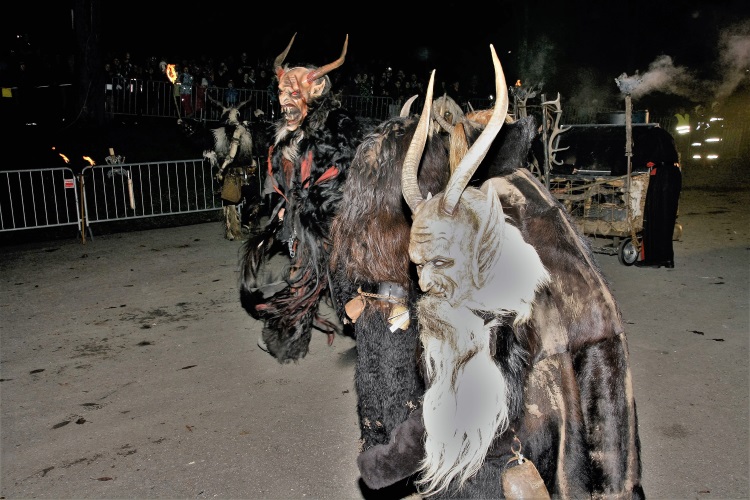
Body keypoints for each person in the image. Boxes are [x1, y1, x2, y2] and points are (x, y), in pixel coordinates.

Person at [239, 33, 366, 362]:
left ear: (317, 90)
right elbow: (284, 180)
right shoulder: (286, 135)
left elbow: (344, 176)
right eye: (282, 92)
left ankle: (377, 336)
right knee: (304, 277)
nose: (285, 100)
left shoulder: (338, 130)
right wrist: (283, 208)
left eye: (293, 93)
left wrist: (318, 211)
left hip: (335, 222)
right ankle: (290, 337)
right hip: (303, 223)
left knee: (340, 284)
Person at [635, 157, 682, 268]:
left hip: (661, 176)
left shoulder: (654, 144)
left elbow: (649, 160)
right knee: (667, 220)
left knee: (654, 219)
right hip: (673, 175)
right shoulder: (669, 144)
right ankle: (667, 259)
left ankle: (653, 259)